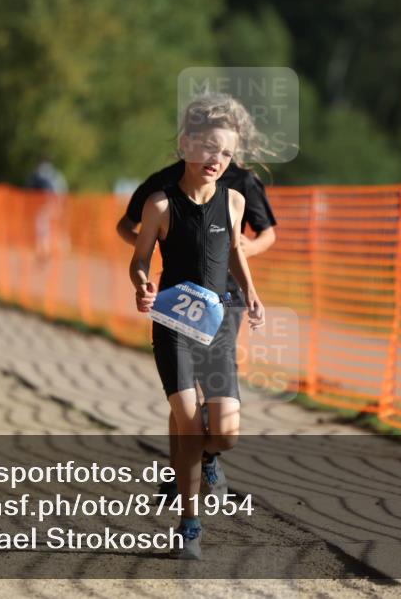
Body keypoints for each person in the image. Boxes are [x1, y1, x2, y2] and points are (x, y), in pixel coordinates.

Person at [117, 100, 278, 505]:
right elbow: (132, 235)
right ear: (187, 142)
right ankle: (184, 492)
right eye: (209, 146)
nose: (218, 159)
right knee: (186, 402)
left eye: (226, 151)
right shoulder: (163, 190)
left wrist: (245, 263)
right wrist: (150, 257)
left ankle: (205, 455)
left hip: (226, 303)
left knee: (219, 417)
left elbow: (260, 238)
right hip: (177, 304)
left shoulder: (240, 186)